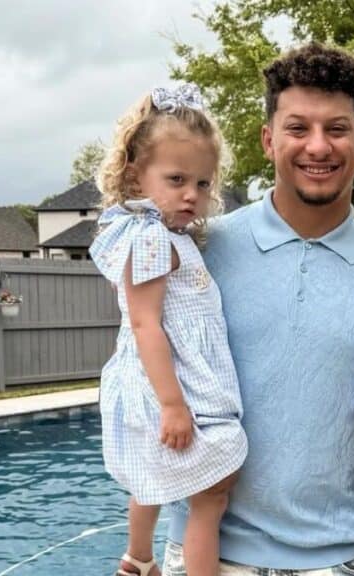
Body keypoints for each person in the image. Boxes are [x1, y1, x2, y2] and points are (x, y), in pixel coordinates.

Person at [161, 43, 354, 575]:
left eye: (337, 129)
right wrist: (140, 549)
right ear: (268, 139)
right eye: (298, 128)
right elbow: (146, 383)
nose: (318, 147)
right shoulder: (198, 252)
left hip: (339, 562)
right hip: (206, 556)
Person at [89, 83, 247, 576]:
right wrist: (174, 405)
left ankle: (137, 558)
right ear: (136, 176)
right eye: (176, 178)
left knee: (150, 472)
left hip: (168, 380)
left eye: (202, 184)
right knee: (213, 492)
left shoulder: (160, 233)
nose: (191, 195)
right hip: (170, 387)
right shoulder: (152, 238)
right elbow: (145, 324)